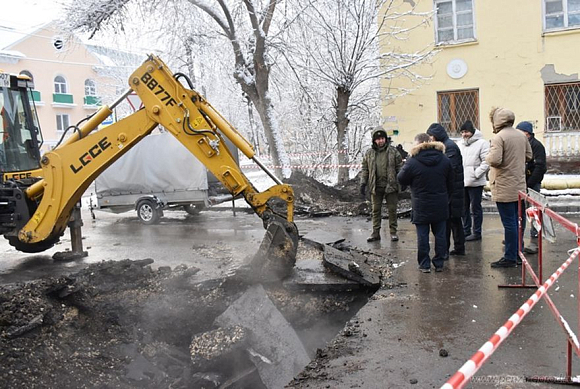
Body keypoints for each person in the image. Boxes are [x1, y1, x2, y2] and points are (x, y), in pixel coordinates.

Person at [398, 133, 453, 272]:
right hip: (440, 203)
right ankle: (439, 263)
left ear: (418, 144)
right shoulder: (444, 159)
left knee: (422, 236)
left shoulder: (413, 161)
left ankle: (424, 264)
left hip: (421, 204)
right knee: (440, 235)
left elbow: (401, 179)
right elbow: (451, 182)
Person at [486, 108, 532, 268]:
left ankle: (510, 257)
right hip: (519, 185)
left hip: (504, 186)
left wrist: (487, 156)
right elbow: (529, 155)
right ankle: (518, 254)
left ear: (497, 121)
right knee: (517, 221)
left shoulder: (499, 137)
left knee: (509, 223)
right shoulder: (521, 135)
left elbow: (495, 160)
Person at [426, 123, 465, 257]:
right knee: (452, 220)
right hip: (452, 189)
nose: (430, 139)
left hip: (453, 190)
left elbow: (450, 169)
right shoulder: (447, 145)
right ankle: (456, 247)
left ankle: (455, 248)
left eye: (431, 136)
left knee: (452, 220)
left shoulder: (449, 147)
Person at [360, 126, 403, 242]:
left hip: (391, 185)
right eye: (378, 139)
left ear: (385, 139)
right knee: (375, 210)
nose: (380, 141)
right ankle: (375, 233)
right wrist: (363, 183)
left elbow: (400, 167)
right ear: (374, 140)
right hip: (375, 186)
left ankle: (393, 232)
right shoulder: (369, 153)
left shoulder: (393, 151)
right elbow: (365, 169)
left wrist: (401, 181)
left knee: (392, 209)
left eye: (382, 138)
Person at [516, 121, 547, 254]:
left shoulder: (537, 146)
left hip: (532, 183)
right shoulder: (520, 144)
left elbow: (540, 167)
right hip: (521, 182)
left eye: (520, 132)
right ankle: (518, 237)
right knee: (521, 211)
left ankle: (535, 239)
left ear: (527, 133)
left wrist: (529, 184)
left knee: (534, 211)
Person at [458, 120, 490, 241]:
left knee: (475, 208)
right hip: (463, 181)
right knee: (463, 208)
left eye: (466, 131)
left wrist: (476, 174)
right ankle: (466, 231)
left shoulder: (482, 143)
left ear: (472, 131)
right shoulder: (460, 143)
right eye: (462, 132)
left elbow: (486, 162)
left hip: (476, 182)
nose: (464, 134)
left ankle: (477, 232)